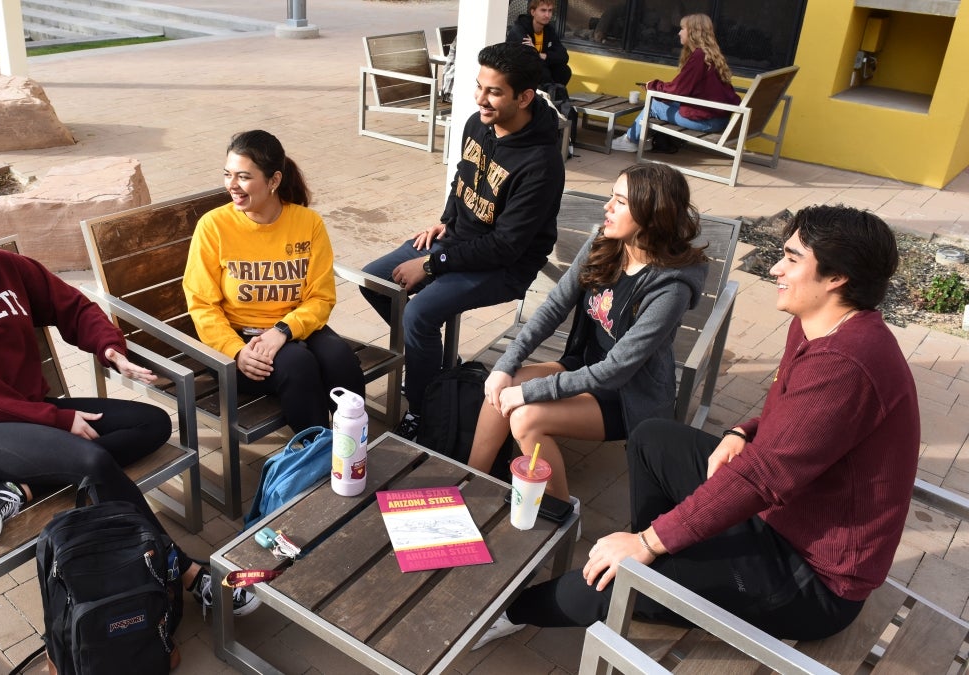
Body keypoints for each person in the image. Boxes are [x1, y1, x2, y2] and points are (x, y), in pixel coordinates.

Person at [475, 205, 920, 648]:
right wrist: (742, 432)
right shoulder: (819, 325)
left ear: (836, 276)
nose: (775, 268)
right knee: (652, 437)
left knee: (615, 577)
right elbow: (798, 418)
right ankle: (664, 570)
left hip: (812, 578)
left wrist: (649, 542)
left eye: (791, 258)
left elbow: (762, 480)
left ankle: (504, 613)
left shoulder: (847, 364)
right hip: (780, 516)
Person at [0, 173, 259, 629]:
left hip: (34, 419)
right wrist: (56, 419)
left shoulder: (4, 268)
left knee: (151, 424)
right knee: (92, 462)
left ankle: (22, 488)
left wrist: (109, 348)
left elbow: (71, 306)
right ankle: (188, 573)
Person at [468, 164, 708, 501]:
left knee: (525, 418)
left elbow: (617, 370)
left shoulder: (670, 288)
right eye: (611, 196)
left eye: (620, 201)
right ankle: (470, 483)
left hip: (627, 396)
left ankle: (560, 513)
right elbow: (554, 307)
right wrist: (507, 364)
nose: (607, 206)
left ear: (653, 215)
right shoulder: (605, 243)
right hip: (582, 368)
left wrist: (530, 392)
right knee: (502, 386)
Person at [360, 42, 564, 439]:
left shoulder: (541, 163)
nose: (480, 99)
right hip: (456, 242)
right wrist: (446, 221)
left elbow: (506, 246)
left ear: (524, 97)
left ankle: (423, 409)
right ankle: (438, 369)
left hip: (504, 267)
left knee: (419, 316)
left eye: (494, 91)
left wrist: (431, 265)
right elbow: (463, 177)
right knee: (374, 281)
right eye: (478, 86)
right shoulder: (477, 123)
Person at [183, 129, 365, 434]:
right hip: (240, 344)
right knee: (298, 365)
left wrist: (283, 330)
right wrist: (235, 351)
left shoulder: (307, 223)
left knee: (340, 359)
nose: (232, 185)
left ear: (274, 180)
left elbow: (321, 297)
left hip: (294, 327)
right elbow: (201, 305)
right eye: (228, 174)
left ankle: (355, 444)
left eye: (243, 177)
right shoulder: (213, 226)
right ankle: (316, 455)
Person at [613, 13, 740, 153]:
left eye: (682, 28)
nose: (679, 33)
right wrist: (657, 87)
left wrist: (652, 86)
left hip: (707, 121)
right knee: (664, 102)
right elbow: (683, 88)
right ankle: (644, 140)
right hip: (718, 118)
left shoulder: (699, 57)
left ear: (693, 32)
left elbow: (678, 90)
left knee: (654, 105)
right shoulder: (711, 55)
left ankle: (631, 140)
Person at [507, 0, 572, 92]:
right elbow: (527, 57)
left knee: (564, 71)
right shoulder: (520, 29)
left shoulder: (549, 30)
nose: (547, 15)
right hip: (517, 73)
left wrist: (541, 55)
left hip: (540, 68)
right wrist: (536, 54)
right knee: (542, 71)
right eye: (543, 10)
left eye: (550, 11)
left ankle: (553, 96)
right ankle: (547, 96)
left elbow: (564, 56)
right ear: (533, 12)